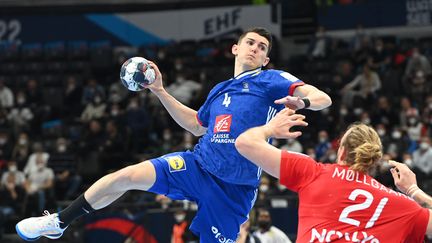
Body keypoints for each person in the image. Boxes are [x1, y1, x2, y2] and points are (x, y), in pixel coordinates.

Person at [15, 27, 331, 242]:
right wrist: (160, 90)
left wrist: (301, 100)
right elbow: (197, 125)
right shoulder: (220, 90)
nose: (256, 49)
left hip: (234, 190)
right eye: (251, 43)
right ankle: (59, 222)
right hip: (198, 165)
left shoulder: (271, 80)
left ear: (266, 59)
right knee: (125, 176)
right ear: (236, 48)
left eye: (262, 48)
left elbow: (322, 97)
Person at [235, 108, 431, 242]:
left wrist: (270, 128)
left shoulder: (313, 172)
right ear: (373, 160)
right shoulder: (401, 205)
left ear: (342, 151)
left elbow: (244, 143)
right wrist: (413, 190)